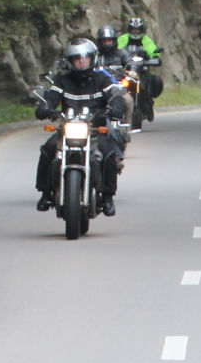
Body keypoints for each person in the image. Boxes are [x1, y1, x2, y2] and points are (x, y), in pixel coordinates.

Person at [35, 39, 129, 216]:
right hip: (66, 128)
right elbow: (52, 96)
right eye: (77, 58)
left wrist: (116, 107)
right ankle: (45, 193)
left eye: (85, 57)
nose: (82, 61)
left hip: (93, 129)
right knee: (48, 149)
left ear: (93, 58)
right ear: (70, 61)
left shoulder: (102, 78)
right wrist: (45, 108)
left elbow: (115, 95)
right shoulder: (62, 80)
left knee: (108, 153)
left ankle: (108, 197)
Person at [119, 17, 163, 122]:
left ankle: (148, 102)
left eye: (137, 29)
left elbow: (153, 51)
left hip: (141, 70)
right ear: (129, 29)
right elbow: (117, 50)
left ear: (142, 30)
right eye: (133, 29)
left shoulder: (146, 40)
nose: (135, 32)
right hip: (126, 69)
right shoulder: (123, 38)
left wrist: (155, 57)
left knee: (150, 81)